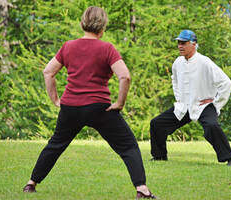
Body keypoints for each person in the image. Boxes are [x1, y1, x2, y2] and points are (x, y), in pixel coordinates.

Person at [23, 6, 156, 199]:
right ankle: (142, 189)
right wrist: (119, 103)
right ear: (102, 27)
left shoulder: (68, 46)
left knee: (55, 145)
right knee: (128, 146)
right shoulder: (107, 48)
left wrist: (56, 100)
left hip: (70, 107)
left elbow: (48, 72)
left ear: (82, 24)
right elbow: (125, 76)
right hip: (99, 108)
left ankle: (31, 183)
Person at [150, 30, 231, 166]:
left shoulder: (204, 62)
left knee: (212, 125)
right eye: (179, 43)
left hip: (203, 105)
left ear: (193, 44)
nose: (180, 46)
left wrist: (215, 102)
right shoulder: (177, 63)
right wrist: (179, 99)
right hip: (183, 106)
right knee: (157, 124)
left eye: (183, 43)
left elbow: (226, 83)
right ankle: (159, 157)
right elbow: (175, 80)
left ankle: (230, 159)